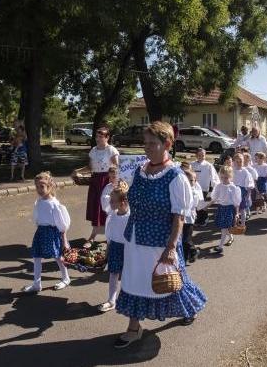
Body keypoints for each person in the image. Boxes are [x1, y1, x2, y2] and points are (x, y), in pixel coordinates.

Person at [113, 121, 206, 349]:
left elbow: (179, 216)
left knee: (168, 282)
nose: (146, 148)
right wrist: (120, 197)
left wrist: (172, 247)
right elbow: (130, 201)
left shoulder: (175, 176)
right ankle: (134, 328)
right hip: (135, 237)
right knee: (134, 283)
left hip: (160, 242)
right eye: (145, 143)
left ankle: (190, 307)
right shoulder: (139, 170)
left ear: (167, 144)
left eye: (152, 144)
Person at [23, 171, 72, 293]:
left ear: (49, 186)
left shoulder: (54, 204)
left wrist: (64, 240)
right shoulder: (39, 201)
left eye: (42, 186)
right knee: (37, 257)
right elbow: (37, 218)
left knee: (58, 257)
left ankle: (66, 278)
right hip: (41, 232)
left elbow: (62, 224)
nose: (39, 189)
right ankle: (36, 284)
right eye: (37, 187)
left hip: (52, 233)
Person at [98, 180, 130, 313]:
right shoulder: (112, 215)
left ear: (122, 202)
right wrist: (107, 250)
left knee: (128, 275)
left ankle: (128, 299)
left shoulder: (131, 216)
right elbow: (109, 233)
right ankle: (111, 300)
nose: (109, 203)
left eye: (112, 201)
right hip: (115, 248)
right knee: (113, 274)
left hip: (129, 249)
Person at [85, 127, 119, 248]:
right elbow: (90, 167)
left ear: (107, 137)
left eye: (101, 136)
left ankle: (112, 234)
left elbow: (116, 167)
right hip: (95, 180)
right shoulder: (93, 150)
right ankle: (93, 235)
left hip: (107, 180)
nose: (98, 139)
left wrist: (114, 180)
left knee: (108, 206)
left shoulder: (111, 150)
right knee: (96, 207)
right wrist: (76, 171)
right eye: (97, 136)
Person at [210, 165, 242, 254]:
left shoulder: (233, 188)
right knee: (224, 228)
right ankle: (231, 237)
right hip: (221, 208)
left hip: (229, 209)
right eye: (222, 177)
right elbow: (214, 198)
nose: (224, 179)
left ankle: (220, 247)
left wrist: (237, 213)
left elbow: (236, 202)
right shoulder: (219, 186)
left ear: (231, 177)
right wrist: (206, 206)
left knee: (224, 229)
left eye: (226, 177)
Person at [190, 148, 219, 226]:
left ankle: (205, 218)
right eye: (199, 155)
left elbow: (214, 177)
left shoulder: (208, 165)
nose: (201, 157)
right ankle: (199, 219)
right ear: (196, 155)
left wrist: (215, 186)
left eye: (203, 155)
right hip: (194, 188)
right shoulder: (192, 164)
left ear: (205, 155)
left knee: (202, 204)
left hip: (204, 188)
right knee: (196, 204)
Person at [181, 168, 203, 263]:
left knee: (186, 239)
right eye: (186, 180)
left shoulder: (195, 192)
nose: (189, 182)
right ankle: (187, 255)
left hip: (189, 219)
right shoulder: (182, 190)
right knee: (182, 239)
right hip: (181, 218)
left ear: (195, 181)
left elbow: (192, 204)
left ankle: (193, 251)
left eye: (191, 180)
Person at [232, 153, 253, 226]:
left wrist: (248, 193)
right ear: (234, 162)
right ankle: (234, 224)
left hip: (242, 191)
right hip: (232, 191)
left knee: (242, 209)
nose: (239, 163)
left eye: (240, 161)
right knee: (233, 209)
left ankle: (243, 224)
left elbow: (249, 183)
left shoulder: (245, 171)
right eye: (237, 161)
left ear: (243, 161)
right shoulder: (231, 170)